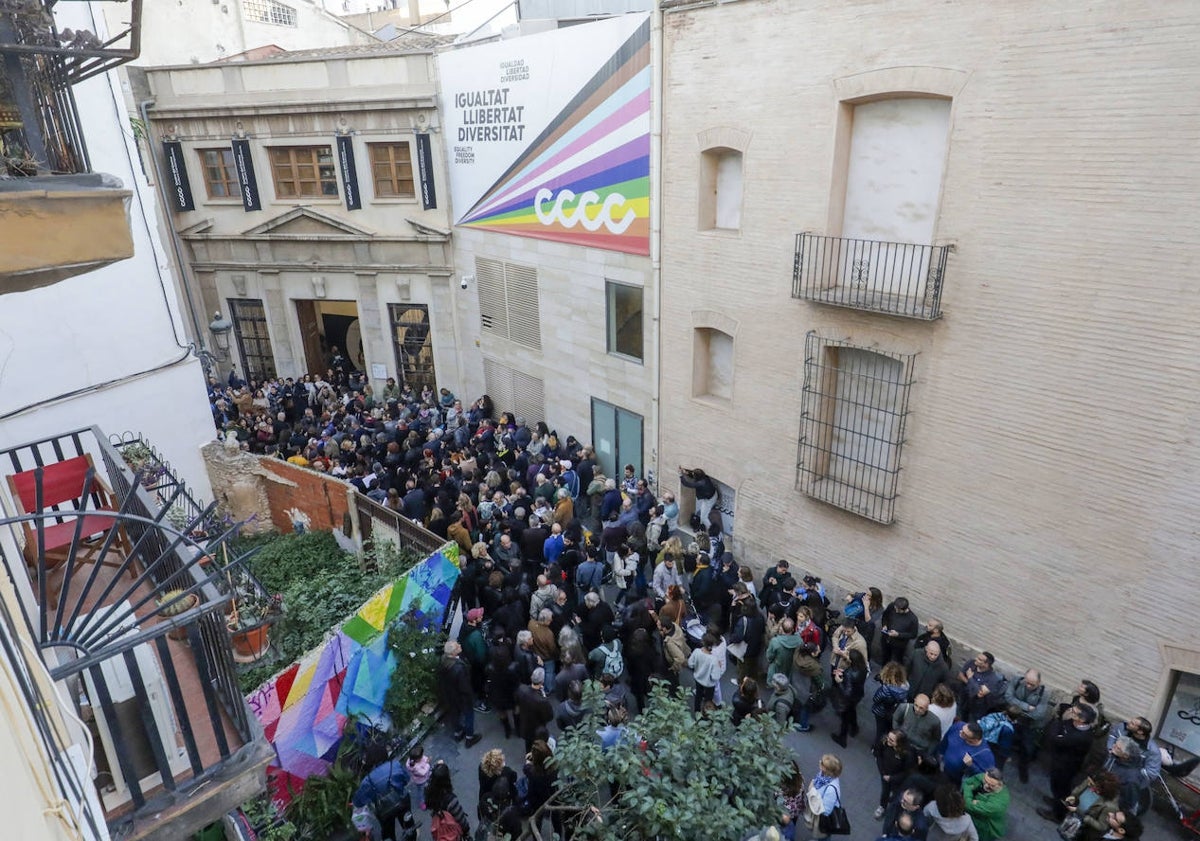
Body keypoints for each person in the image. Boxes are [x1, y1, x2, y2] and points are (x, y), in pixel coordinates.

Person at [1040, 703, 1099, 821]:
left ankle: (1058, 814)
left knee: (1061, 790)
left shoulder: (1081, 737)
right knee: (1056, 786)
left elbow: (1054, 737)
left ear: (1081, 720)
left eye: (1073, 712)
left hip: (1066, 767)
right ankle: (1056, 801)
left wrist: (1058, 726)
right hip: (1060, 760)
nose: (1070, 712)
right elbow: (1061, 728)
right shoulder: (1073, 724)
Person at [1004, 667, 1050, 782]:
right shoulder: (1017, 681)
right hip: (1014, 719)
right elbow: (1008, 697)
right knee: (1007, 737)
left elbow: (1039, 714)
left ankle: (1023, 768)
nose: (1029, 686)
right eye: (1027, 683)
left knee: (1027, 747)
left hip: (1030, 725)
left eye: (1032, 685)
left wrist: (1017, 707)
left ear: (1039, 683)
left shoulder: (1044, 692)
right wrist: (1027, 707)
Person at [351, 756, 410, 841]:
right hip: (402, 801)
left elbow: (358, 802)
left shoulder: (366, 782)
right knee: (408, 825)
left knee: (388, 833)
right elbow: (407, 779)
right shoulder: (395, 765)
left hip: (384, 811)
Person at [436, 641, 481, 747]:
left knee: (455, 715)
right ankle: (470, 737)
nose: (460, 645)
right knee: (469, 715)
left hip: (450, 695)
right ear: (453, 653)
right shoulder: (458, 668)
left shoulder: (444, 661)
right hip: (462, 697)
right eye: (457, 646)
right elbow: (464, 687)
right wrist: (471, 698)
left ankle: (458, 733)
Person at [874, 729, 917, 820]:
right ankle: (882, 806)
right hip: (885, 775)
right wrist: (883, 773)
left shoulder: (907, 754)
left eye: (891, 740)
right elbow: (878, 755)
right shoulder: (884, 741)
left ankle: (894, 811)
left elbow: (907, 772)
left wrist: (892, 778)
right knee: (885, 792)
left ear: (900, 743)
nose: (888, 740)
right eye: (888, 737)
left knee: (897, 796)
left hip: (899, 780)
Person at [831, 648, 868, 747]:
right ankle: (855, 727)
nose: (845, 655)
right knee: (852, 710)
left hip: (849, 698)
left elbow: (847, 692)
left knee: (845, 718)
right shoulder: (863, 668)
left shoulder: (850, 674)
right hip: (858, 694)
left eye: (847, 655)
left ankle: (842, 739)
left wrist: (839, 682)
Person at [425, 761, 470, 840]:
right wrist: (466, 832)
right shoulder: (451, 800)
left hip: (439, 824)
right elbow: (460, 819)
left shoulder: (429, 791)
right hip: (452, 830)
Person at [956, 652, 1007, 723]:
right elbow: (960, 675)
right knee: (959, 720)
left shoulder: (992, 678)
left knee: (972, 726)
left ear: (986, 664)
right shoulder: (971, 663)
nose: (976, 659)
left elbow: (980, 693)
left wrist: (970, 678)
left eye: (979, 659)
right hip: (963, 700)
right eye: (977, 657)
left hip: (976, 708)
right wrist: (972, 685)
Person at [962, 768, 1009, 841]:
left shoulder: (998, 804)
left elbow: (968, 805)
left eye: (991, 785)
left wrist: (969, 795)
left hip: (986, 828)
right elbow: (967, 783)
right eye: (985, 781)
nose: (986, 785)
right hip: (977, 818)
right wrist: (973, 801)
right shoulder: (987, 777)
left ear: (1000, 784)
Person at [872, 661, 911, 749]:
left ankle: (878, 748)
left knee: (880, 732)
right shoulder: (905, 687)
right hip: (893, 712)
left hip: (881, 712)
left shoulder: (885, 689)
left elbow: (876, 699)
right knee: (889, 728)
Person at [893, 693, 943, 760]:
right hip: (903, 743)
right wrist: (897, 734)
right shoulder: (904, 708)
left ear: (927, 708)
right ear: (914, 701)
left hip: (919, 749)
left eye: (921, 708)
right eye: (916, 705)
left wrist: (928, 753)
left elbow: (936, 739)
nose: (917, 709)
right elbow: (896, 719)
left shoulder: (935, 721)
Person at [515, 668, 554, 752]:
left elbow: (517, 702)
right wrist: (544, 696)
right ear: (542, 681)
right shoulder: (542, 700)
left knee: (528, 745)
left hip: (525, 725)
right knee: (539, 748)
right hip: (538, 729)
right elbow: (550, 716)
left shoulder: (521, 689)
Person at [806, 753, 844, 841]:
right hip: (817, 814)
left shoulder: (831, 790)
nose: (820, 762)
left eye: (822, 763)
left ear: (828, 770)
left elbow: (825, 811)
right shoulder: (823, 775)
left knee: (824, 836)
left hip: (825, 821)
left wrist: (812, 791)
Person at [688, 632, 723, 712]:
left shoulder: (696, 652)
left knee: (698, 696)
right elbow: (715, 677)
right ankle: (706, 714)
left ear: (702, 642)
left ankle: (697, 712)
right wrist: (719, 667)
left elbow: (690, 664)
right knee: (708, 701)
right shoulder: (714, 660)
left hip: (698, 680)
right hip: (709, 684)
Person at [879, 596, 919, 664]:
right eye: (895, 608)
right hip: (886, 639)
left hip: (899, 645)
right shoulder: (892, 606)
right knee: (885, 657)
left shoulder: (913, 619)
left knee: (897, 661)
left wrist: (898, 634)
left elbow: (913, 634)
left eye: (898, 610)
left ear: (905, 609)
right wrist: (884, 625)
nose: (896, 611)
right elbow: (885, 616)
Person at [404, 743, 431, 811]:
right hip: (421, 780)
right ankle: (422, 803)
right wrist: (427, 764)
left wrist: (425, 760)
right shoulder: (415, 768)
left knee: (422, 789)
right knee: (421, 791)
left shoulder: (411, 760)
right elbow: (423, 773)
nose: (422, 757)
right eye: (421, 756)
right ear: (417, 759)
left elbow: (423, 759)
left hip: (418, 779)